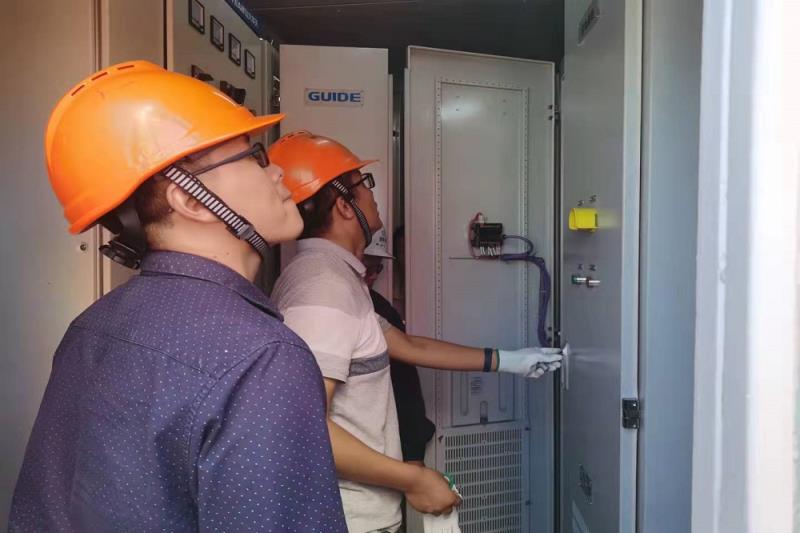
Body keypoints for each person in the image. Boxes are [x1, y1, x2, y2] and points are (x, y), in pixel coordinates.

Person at [9, 62, 346, 532]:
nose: (277, 172)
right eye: (254, 157)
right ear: (190, 200)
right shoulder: (262, 357)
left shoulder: (92, 325)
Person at [269, 131, 561, 533]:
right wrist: (415, 479)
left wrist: (510, 360)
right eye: (364, 184)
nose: (373, 196)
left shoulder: (332, 277)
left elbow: (405, 344)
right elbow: (304, 424)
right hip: (349, 519)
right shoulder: (323, 290)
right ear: (344, 205)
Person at [363, 228, 435, 467]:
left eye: (378, 268)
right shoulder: (351, 304)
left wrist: (413, 453)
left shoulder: (380, 308)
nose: (373, 275)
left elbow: (405, 386)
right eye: (367, 267)